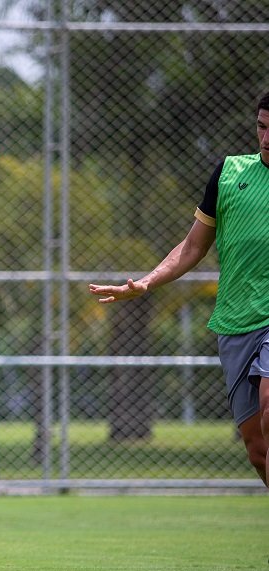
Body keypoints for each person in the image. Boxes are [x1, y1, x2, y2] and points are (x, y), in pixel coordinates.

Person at [89, 90, 269, 488]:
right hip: (236, 323)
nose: (266, 138)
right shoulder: (228, 173)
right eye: (261, 127)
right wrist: (147, 282)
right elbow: (192, 247)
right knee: (258, 451)